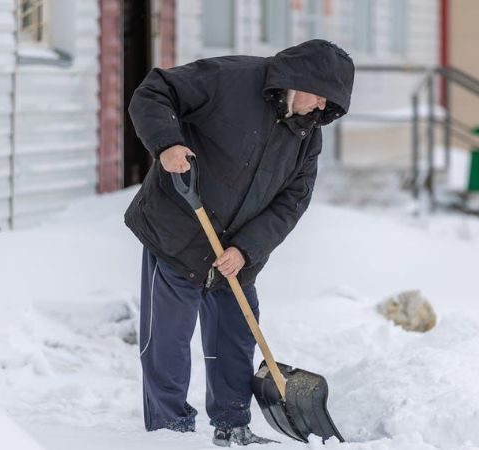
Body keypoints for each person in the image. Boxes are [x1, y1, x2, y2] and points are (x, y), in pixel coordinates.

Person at [124, 40, 354, 447]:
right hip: (179, 229)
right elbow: (155, 90)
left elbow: (291, 203)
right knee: (169, 335)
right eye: (318, 95)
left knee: (235, 333)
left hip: (236, 251)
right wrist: (167, 143)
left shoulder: (307, 137)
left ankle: (232, 423)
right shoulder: (231, 79)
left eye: (329, 102)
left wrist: (247, 249)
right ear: (298, 80)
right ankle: (168, 429)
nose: (320, 107)